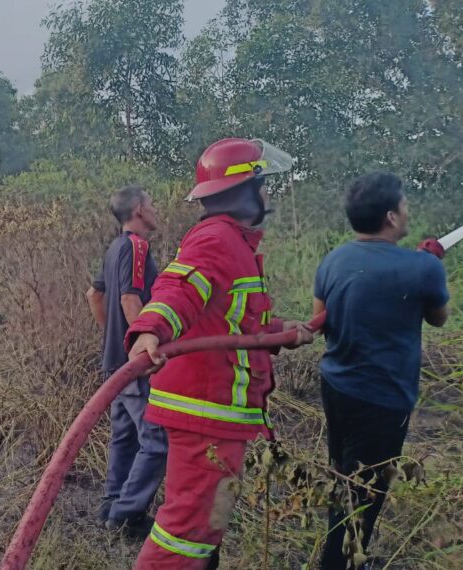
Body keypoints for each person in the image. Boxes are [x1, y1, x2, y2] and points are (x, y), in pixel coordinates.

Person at [125, 138, 314, 569]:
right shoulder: (215, 240)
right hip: (205, 413)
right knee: (187, 533)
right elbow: (178, 289)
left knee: (207, 525)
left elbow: (235, 324)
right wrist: (150, 329)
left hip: (217, 416)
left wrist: (282, 332)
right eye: (262, 185)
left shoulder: (235, 245)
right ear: (243, 192)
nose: (267, 195)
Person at [313, 172, 449, 569]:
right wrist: (429, 266)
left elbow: (319, 320)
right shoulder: (422, 268)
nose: (407, 211)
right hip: (382, 397)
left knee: (345, 476)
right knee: (365, 491)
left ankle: (347, 556)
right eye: (404, 205)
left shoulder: (333, 259)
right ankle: (338, 563)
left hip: (336, 385)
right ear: (391, 216)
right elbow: (438, 318)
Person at [84, 185, 168, 538]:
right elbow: (130, 299)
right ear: (137, 210)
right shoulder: (136, 246)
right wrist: (138, 345)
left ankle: (111, 503)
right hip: (132, 366)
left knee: (125, 436)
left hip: (115, 362)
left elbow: (94, 295)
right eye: (150, 204)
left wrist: (114, 340)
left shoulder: (113, 247)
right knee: (157, 440)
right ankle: (125, 514)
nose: (154, 209)